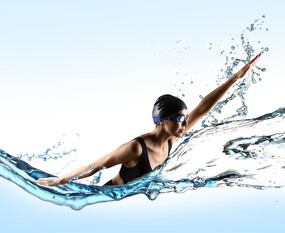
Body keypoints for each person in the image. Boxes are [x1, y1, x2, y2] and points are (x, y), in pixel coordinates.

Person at [36, 53, 261, 187]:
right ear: (161, 121)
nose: (185, 123)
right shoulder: (135, 148)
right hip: (107, 199)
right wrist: (59, 180)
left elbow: (203, 108)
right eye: (179, 118)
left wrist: (236, 77)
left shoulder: (173, 137)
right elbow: (94, 167)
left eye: (185, 118)